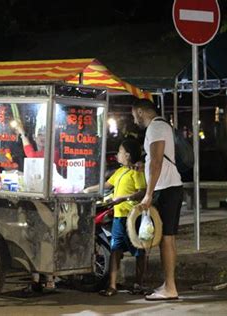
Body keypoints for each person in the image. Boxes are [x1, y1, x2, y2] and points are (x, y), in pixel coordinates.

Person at [131, 98, 183, 301]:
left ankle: (170, 287)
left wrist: (148, 194)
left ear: (142, 111)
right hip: (168, 187)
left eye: (134, 114)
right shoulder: (161, 126)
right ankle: (168, 284)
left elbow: (156, 161)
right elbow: (153, 161)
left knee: (166, 238)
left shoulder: (156, 127)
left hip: (166, 188)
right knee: (165, 238)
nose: (134, 119)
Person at [84, 139, 147, 297]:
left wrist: (124, 198)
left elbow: (142, 192)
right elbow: (106, 185)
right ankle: (112, 286)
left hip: (132, 217)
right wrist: (86, 190)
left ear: (127, 155)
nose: (117, 154)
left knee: (139, 251)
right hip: (118, 217)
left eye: (119, 151)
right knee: (115, 250)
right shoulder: (119, 172)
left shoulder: (136, 172)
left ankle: (138, 284)